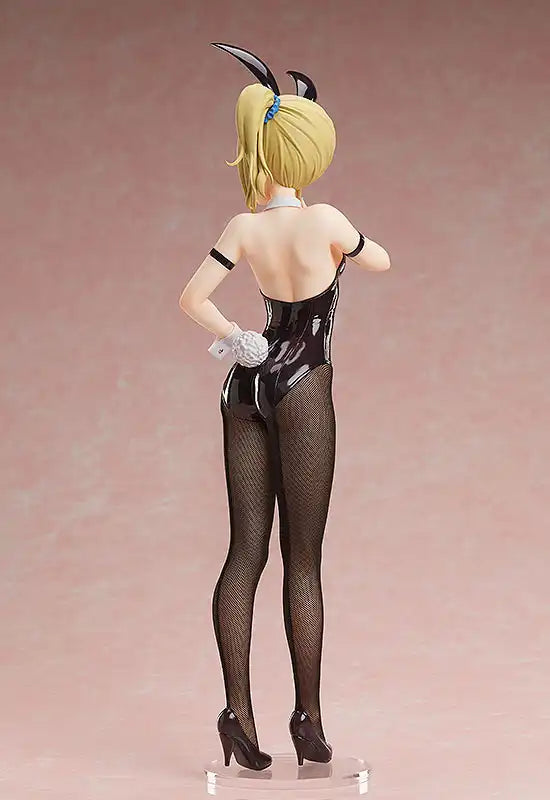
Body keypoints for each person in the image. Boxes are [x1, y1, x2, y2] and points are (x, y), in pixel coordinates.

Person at [179, 43, 391, 771]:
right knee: (303, 559)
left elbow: (191, 299)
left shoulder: (244, 228)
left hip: (245, 381)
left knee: (245, 552)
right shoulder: (326, 219)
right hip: (304, 385)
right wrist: (352, 244)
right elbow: (379, 259)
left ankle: (236, 715)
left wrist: (240, 338)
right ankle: (308, 717)